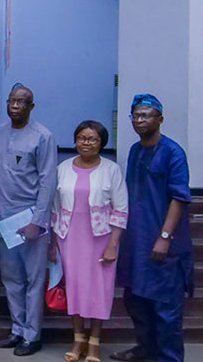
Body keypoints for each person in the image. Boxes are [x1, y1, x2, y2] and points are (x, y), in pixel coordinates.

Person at [111, 95, 192, 362]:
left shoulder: (173, 152)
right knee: (135, 300)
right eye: (135, 115)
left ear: (160, 119)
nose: (139, 120)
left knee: (165, 307)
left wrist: (165, 236)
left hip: (164, 241)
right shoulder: (135, 151)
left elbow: (179, 197)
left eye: (146, 115)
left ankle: (169, 357)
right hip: (137, 241)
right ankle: (145, 349)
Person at [51, 120, 127, 362]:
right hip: (68, 236)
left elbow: (121, 209)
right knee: (74, 288)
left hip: (101, 238)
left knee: (99, 290)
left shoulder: (111, 170)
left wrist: (113, 244)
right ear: (75, 141)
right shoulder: (62, 168)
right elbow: (54, 208)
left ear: (101, 143)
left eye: (93, 139)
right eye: (82, 138)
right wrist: (53, 243)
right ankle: (78, 339)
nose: (86, 143)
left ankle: (94, 342)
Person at [0, 85, 57, 356]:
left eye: (22, 102)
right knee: (11, 279)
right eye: (12, 101)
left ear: (31, 107)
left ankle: (32, 335)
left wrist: (38, 222)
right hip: (4, 219)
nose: (15, 106)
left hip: (31, 220)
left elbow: (48, 181)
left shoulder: (43, 136)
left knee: (33, 279)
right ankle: (17, 329)